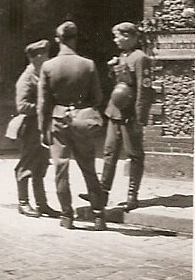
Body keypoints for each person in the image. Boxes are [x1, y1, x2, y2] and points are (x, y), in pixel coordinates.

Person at [37, 21, 107, 230]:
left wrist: (43, 129)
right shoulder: (88, 65)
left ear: (58, 40)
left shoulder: (48, 66)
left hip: (58, 120)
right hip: (82, 120)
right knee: (89, 168)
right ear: (75, 38)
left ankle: (67, 216)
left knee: (61, 167)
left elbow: (43, 103)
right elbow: (97, 97)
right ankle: (98, 216)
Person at [80, 22, 153, 211]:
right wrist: (113, 69)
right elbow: (119, 85)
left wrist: (140, 118)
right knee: (109, 152)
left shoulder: (141, 58)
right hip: (115, 112)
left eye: (118, 36)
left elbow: (143, 90)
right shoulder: (123, 56)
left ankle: (132, 196)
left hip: (130, 115)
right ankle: (101, 193)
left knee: (134, 154)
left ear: (128, 36)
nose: (115, 40)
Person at [14, 39, 59, 218]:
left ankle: (42, 204)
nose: (48, 58)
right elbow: (22, 106)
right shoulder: (26, 78)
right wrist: (44, 108)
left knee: (40, 165)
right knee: (26, 165)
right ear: (37, 57)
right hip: (30, 126)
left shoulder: (42, 75)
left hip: (42, 126)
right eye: (45, 55)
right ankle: (23, 203)